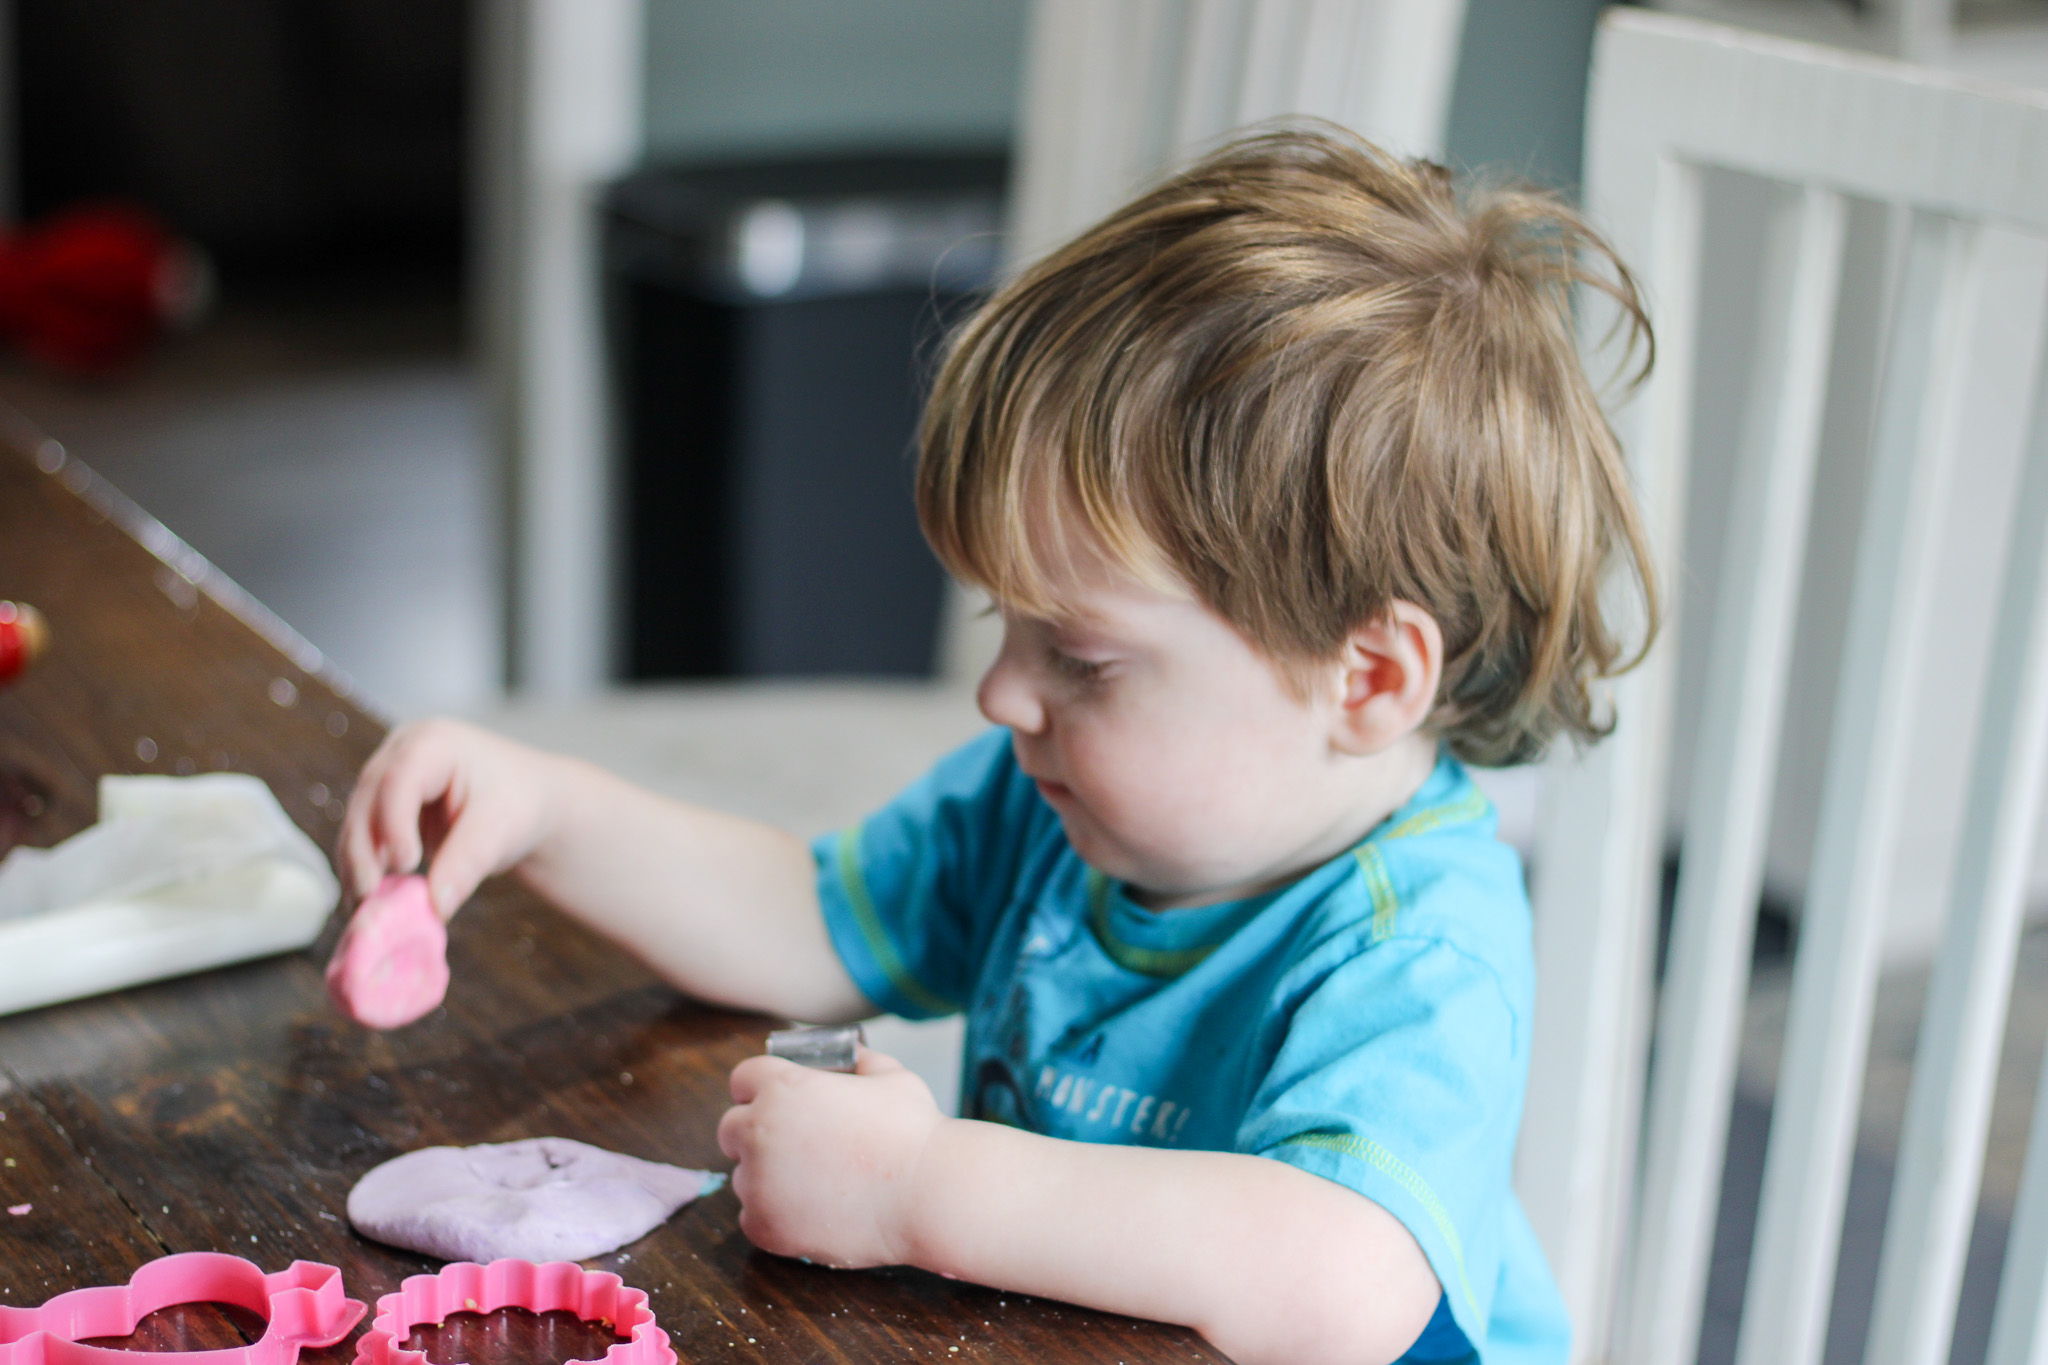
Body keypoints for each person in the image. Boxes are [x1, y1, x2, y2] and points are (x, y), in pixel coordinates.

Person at [340, 126, 1656, 1365]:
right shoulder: (1051, 804)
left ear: (1365, 677)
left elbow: (1339, 1275)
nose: (1001, 695)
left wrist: (920, 1186)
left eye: (1079, 657)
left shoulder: (1418, 946)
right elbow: (803, 920)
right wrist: (551, 810)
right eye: (1005, 625)